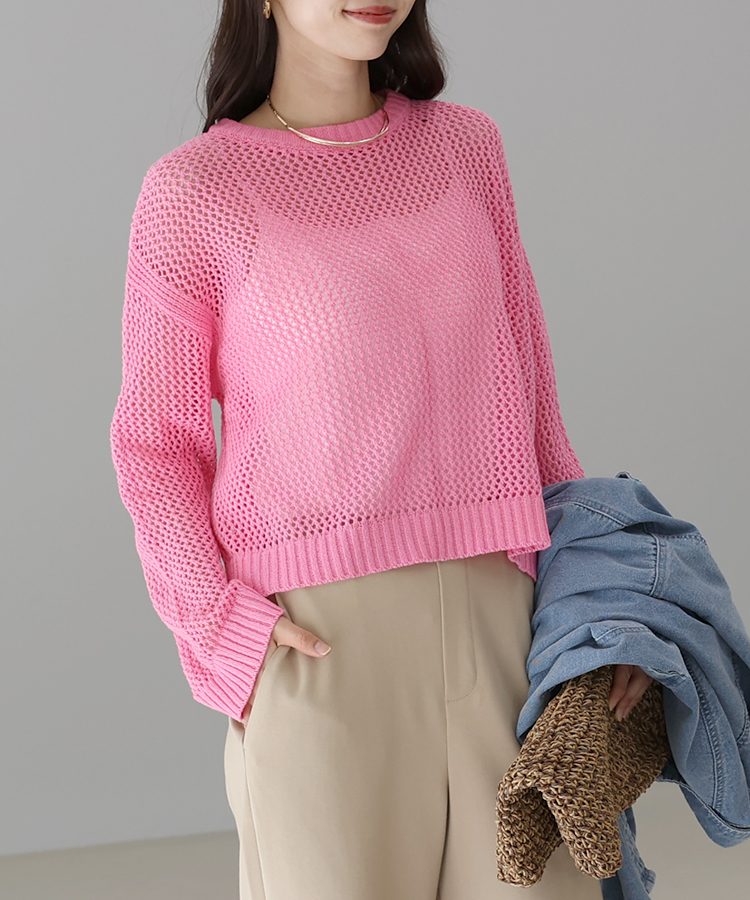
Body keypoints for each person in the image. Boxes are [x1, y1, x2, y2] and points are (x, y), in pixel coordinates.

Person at [110, 1, 653, 897]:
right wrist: (220, 626)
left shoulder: (467, 149)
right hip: (322, 650)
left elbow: (529, 388)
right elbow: (155, 443)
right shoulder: (196, 191)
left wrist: (597, 602)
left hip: (505, 624)